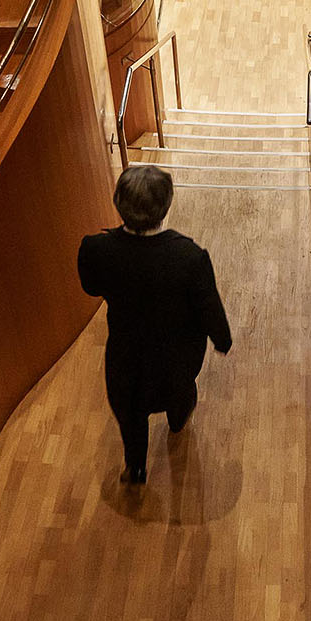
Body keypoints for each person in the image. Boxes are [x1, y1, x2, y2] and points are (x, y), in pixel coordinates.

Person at [76, 166, 233, 486]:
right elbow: (208, 306)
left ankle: (135, 469)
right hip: (178, 355)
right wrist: (222, 339)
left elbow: (91, 287)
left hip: (126, 355)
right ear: (166, 205)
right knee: (180, 393)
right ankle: (177, 422)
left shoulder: (95, 249)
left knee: (130, 412)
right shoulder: (189, 257)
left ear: (119, 202)